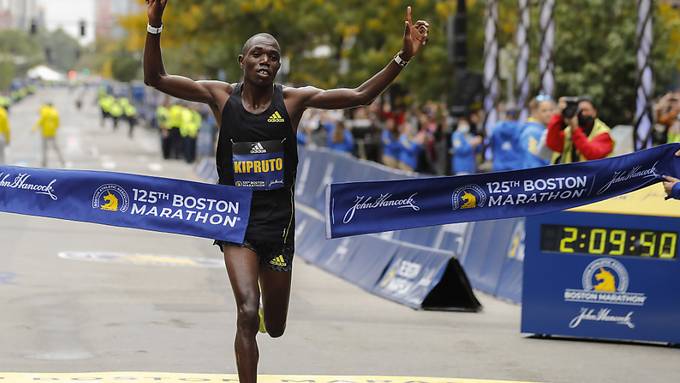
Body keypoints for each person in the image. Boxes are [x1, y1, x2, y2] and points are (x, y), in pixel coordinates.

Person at [143, 1, 429, 382]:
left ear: (279, 66)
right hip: (235, 223)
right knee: (246, 311)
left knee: (273, 326)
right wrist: (155, 25)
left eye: (273, 56)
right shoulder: (220, 97)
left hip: (278, 227)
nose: (265, 60)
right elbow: (156, 78)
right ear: (242, 60)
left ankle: (267, 314)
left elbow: (361, 96)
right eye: (257, 54)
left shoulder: (293, 100)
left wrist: (402, 58)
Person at [546, 96, 614, 164]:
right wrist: (558, 115)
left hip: (594, 174)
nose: (583, 113)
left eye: (586, 110)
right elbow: (552, 143)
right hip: (571, 174)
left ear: (594, 112)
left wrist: (575, 130)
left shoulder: (603, 132)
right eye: (580, 110)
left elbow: (593, 155)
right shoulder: (569, 131)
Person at [519, 95, 555, 168]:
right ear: (534, 112)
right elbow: (532, 162)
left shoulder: (542, 129)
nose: (549, 114)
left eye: (551, 110)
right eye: (544, 111)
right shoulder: (532, 132)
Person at [33, 102, 65, 167]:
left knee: (44, 148)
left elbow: (40, 121)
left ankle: (44, 163)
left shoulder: (44, 111)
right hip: (52, 132)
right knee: (56, 147)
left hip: (45, 132)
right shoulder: (55, 112)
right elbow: (57, 123)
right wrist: (55, 128)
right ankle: (62, 161)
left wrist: (34, 128)